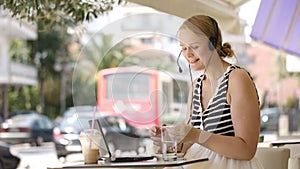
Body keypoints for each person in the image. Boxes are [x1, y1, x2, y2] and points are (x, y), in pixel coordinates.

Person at [150, 15, 263, 169]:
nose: (188, 54)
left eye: (194, 47)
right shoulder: (196, 85)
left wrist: (196, 134)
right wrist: (169, 139)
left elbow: (246, 150)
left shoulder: (236, 79)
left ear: (213, 44)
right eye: (183, 48)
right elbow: (188, 143)